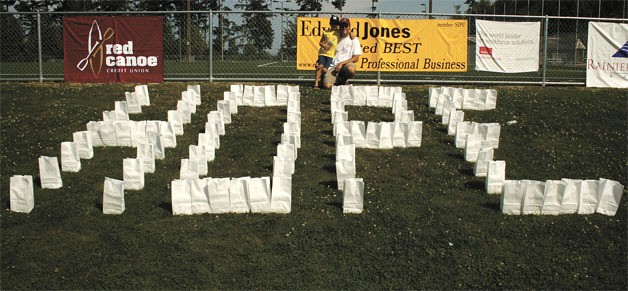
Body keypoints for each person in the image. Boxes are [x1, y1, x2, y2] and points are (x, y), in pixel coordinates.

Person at [321, 18, 362, 89]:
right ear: (339, 27)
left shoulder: (353, 39)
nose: (344, 28)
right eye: (342, 26)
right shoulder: (334, 37)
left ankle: (343, 80)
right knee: (326, 85)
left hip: (345, 65)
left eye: (346, 26)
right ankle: (340, 84)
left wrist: (341, 63)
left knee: (350, 69)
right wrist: (320, 61)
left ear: (349, 27)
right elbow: (325, 51)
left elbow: (356, 58)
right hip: (333, 66)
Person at [313, 15, 340, 89]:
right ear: (330, 24)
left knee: (325, 70)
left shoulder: (339, 32)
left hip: (331, 55)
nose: (334, 25)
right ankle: (316, 84)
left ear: (338, 25)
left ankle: (322, 80)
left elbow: (347, 32)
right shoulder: (326, 32)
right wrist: (324, 45)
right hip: (323, 53)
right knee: (319, 67)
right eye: (332, 23)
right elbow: (320, 42)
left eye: (335, 24)